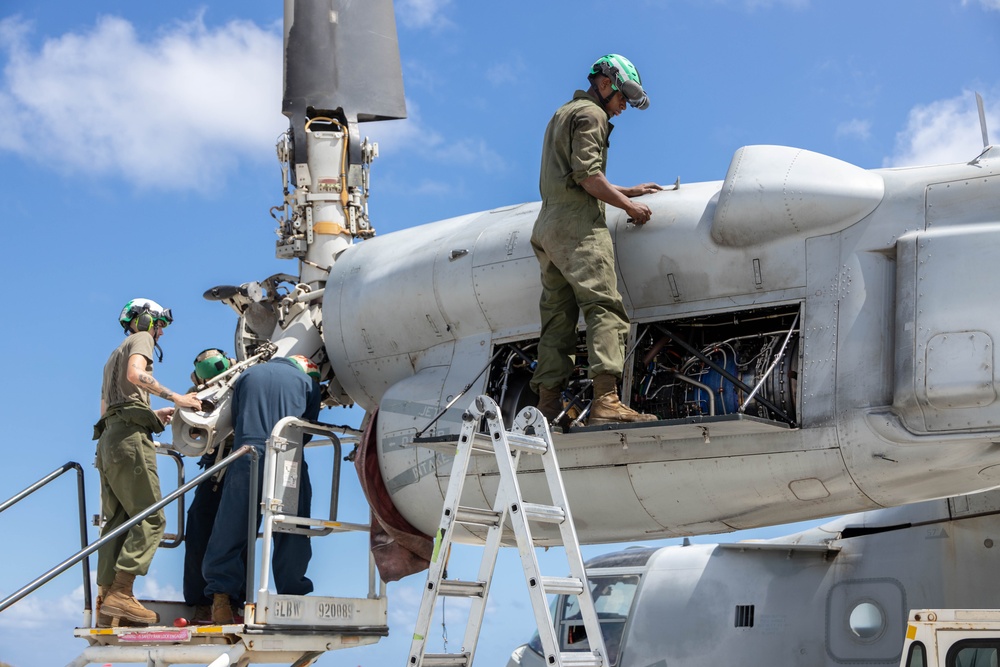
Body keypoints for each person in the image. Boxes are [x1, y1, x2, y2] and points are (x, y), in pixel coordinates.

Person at [529, 54, 663, 427]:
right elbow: (588, 176)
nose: (622, 108)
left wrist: (627, 189)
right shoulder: (594, 115)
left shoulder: (563, 113)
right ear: (605, 84)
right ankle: (606, 400)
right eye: (622, 98)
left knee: (558, 320)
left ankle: (547, 406)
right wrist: (629, 208)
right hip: (578, 228)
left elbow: (573, 176)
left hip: (548, 228)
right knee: (604, 307)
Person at [94, 298, 202, 627]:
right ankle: (122, 594)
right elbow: (136, 373)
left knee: (118, 521)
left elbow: (107, 410)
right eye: (159, 327)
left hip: (109, 441)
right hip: (129, 441)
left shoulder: (112, 356)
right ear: (146, 322)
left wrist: (151, 416)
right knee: (152, 519)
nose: (160, 335)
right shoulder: (140, 339)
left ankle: (106, 597)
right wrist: (178, 399)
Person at [202, 355, 321, 624]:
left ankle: (221, 598)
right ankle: (292, 596)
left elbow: (234, 417)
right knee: (291, 526)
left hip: (246, 456)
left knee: (232, 525)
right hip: (288, 460)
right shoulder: (307, 383)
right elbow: (309, 429)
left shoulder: (248, 375)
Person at [182, 348, 237, 624]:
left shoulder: (241, 382)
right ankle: (202, 602)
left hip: (237, 464)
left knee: (232, 534)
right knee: (198, 527)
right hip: (215, 466)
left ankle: (228, 601)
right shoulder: (204, 393)